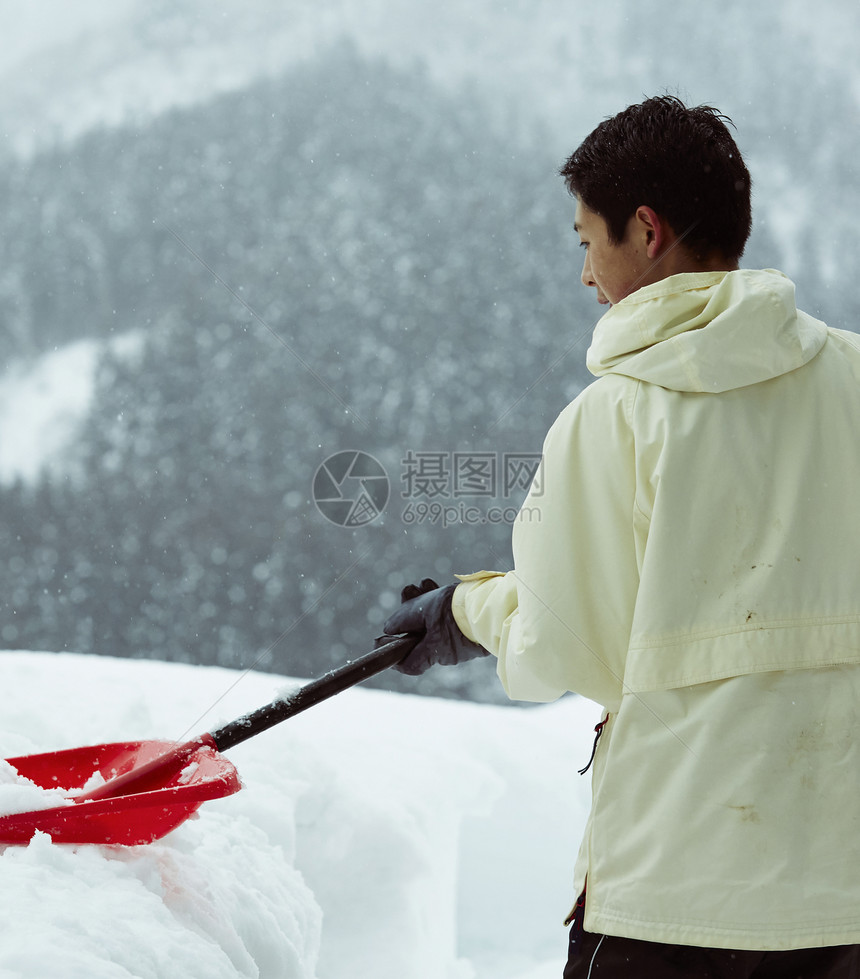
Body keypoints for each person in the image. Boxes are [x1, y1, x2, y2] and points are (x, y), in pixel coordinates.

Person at [378, 96, 860, 977]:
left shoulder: (615, 419)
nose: (585, 274)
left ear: (645, 230)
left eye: (585, 241)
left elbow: (576, 647)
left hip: (678, 895)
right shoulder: (855, 377)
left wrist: (468, 614)